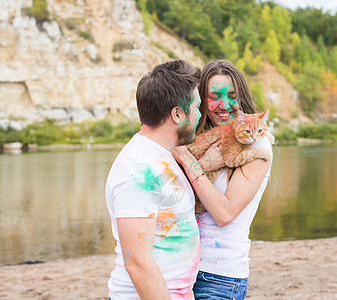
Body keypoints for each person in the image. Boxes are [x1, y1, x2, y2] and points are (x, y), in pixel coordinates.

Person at [173, 59, 273, 300]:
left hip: (218, 277)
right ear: (200, 100)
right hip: (177, 271)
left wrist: (191, 163)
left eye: (231, 95)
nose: (223, 104)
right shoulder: (195, 139)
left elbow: (224, 214)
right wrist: (205, 163)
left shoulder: (257, 146)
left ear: (242, 99)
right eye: (214, 95)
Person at [105, 60, 203, 299]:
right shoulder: (137, 169)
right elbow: (137, 262)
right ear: (177, 114)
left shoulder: (160, 156)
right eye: (197, 107)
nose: (201, 114)